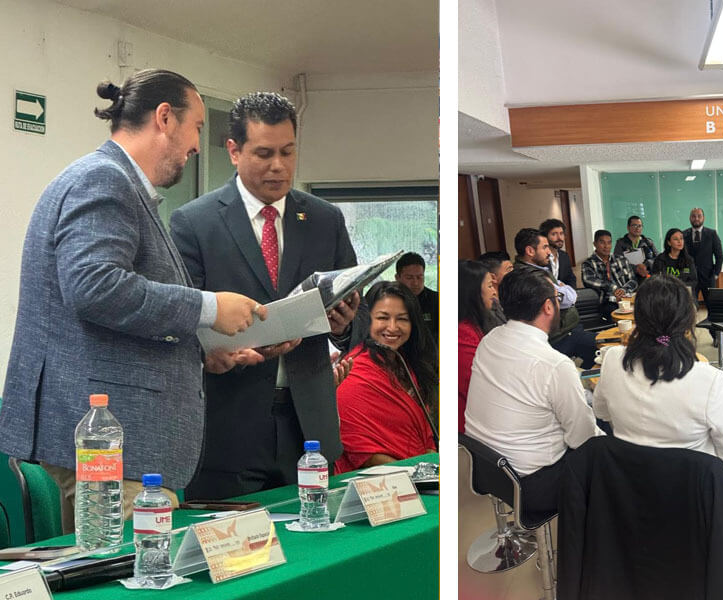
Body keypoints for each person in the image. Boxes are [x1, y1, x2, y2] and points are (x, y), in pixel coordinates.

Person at [0, 69, 265, 530]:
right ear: (164, 117)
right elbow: (95, 286)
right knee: (135, 567)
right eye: (197, 127)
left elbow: (110, 316)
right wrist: (209, 308)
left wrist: (200, 352)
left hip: (116, 444)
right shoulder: (104, 180)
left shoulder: (110, 180)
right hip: (108, 444)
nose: (197, 145)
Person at [169, 92, 359, 499]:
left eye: (288, 152)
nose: (279, 166)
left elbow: (351, 316)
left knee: (316, 535)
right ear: (234, 151)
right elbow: (179, 322)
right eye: (264, 153)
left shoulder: (325, 220)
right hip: (227, 427)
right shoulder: (195, 223)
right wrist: (214, 353)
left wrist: (343, 325)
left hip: (308, 428)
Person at [592, 275, 723, 533]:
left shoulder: (613, 360)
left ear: (637, 318)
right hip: (692, 497)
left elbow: (600, 412)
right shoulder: (708, 379)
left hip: (631, 485)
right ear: (687, 321)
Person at [465, 267, 603, 518]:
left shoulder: (489, 340)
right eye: (557, 297)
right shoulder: (554, 365)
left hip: (487, 468)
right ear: (548, 307)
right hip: (533, 484)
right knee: (609, 445)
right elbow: (582, 439)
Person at [335, 281, 438, 473]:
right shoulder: (353, 370)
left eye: (402, 319)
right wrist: (411, 473)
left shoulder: (405, 363)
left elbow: (425, 434)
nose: (392, 327)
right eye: (383, 318)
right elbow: (361, 450)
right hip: (381, 480)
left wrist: (429, 467)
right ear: (366, 320)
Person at [514, 228, 597, 368]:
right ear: (530, 251)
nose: (549, 252)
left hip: (567, 329)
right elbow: (567, 299)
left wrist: (563, 289)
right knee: (603, 348)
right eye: (545, 247)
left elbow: (566, 291)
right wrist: (563, 289)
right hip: (558, 337)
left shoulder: (539, 269)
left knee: (599, 353)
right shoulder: (529, 276)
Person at [458, 260, 498, 433]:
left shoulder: (474, 324)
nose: (494, 292)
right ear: (472, 291)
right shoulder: (461, 335)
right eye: (489, 286)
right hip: (472, 426)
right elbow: (480, 387)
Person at [581, 229, 639, 320]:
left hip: (626, 298)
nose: (606, 246)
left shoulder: (621, 259)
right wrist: (613, 288)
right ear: (595, 244)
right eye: (602, 243)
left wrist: (623, 290)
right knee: (618, 315)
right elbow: (589, 280)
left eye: (609, 243)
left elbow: (633, 280)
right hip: (607, 302)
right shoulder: (588, 263)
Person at [682, 208, 723, 305]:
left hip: (708, 277)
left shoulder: (712, 234)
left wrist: (716, 274)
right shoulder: (683, 235)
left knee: (712, 307)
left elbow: (719, 256)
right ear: (690, 218)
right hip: (689, 278)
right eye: (693, 216)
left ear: (703, 218)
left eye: (699, 216)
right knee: (690, 307)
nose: (696, 218)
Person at [395, 252, 439, 341]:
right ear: (397, 278)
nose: (415, 283)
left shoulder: (437, 300)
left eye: (419, 277)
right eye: (409, 278)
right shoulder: (390, 301)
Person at [652, 228, 698, 293]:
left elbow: (693, 281)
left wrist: (679, 287)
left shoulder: (689, 260)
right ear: (669, 243)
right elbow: (655, 280)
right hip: (665, 293)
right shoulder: (660, 259)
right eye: (676, 239)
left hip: (684, 293)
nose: (679, 241)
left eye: (681, 238)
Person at [613, 215, 658, 282]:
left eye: (640, 226)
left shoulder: (648, 242)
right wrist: (636, 268)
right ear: (628, 227)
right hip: (629, 279)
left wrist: (646, 264)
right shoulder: (621, 243)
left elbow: (658, 258)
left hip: (648, 278)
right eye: (634, 225)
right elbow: (617, 262)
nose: (637, 228)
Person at [478, 250, 512, 328]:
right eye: (509, 270)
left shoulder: (510, 295)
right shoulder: (486, 307)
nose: (514, 273)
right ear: (493, 277)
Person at [540, 218, 577, 287]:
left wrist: (570, 290)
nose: (559, 238)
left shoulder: (564, 256)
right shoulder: (540, 257)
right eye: (554, 234)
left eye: (561, 233)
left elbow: (571, 278)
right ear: (545, 237)